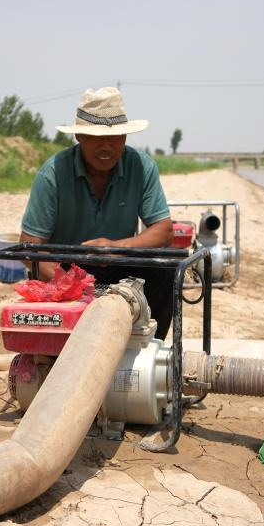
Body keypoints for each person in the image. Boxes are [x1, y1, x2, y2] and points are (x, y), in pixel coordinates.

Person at [18, 86, 175, 339]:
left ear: (124, 137)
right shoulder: (53, 173)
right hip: (64, 268)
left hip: (122, 263)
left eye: (114, 138)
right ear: (79, 136)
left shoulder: (141, 166)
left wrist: (115, 247)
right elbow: (29, 245)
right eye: (96, 137)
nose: (106, 146)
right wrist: (70, 284)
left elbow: (163, 231)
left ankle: (148, 349)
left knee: (167, 269)